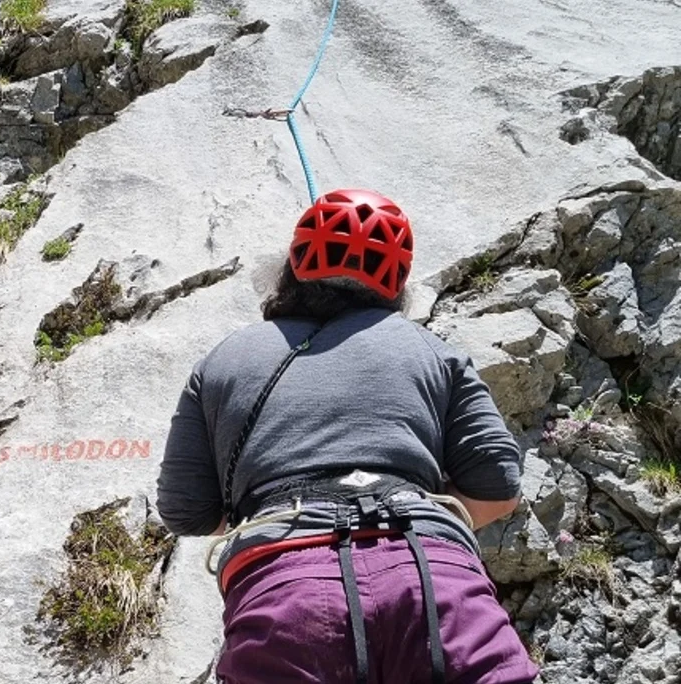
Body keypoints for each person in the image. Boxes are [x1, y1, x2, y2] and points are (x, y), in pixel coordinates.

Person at [155, 189, 539, 684]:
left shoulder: (225, 359)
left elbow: (185, 510)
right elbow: (498, 488)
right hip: (433, 581)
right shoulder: (433, 351)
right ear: (396, 285)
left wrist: (276, 513)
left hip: (288, 595)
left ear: (292, 265)